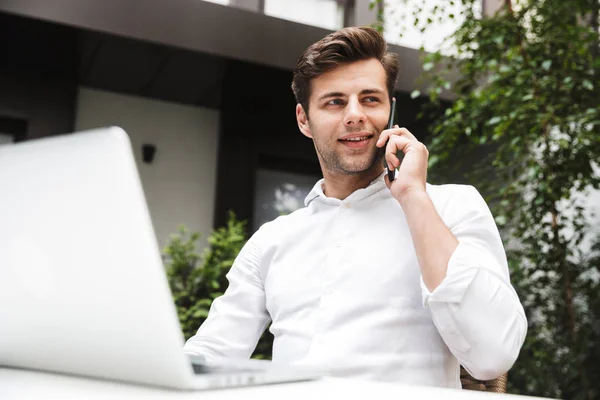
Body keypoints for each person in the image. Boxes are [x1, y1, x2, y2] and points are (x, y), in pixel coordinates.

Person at [184, 26, 527, 388]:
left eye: (370, 99)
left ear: (390, 111)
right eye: (334, 102)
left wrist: (413, 196)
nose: (355, 115)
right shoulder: (272, 240)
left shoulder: (451, 205)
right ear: (304, 119)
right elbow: (212, 351)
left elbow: (493, 355)